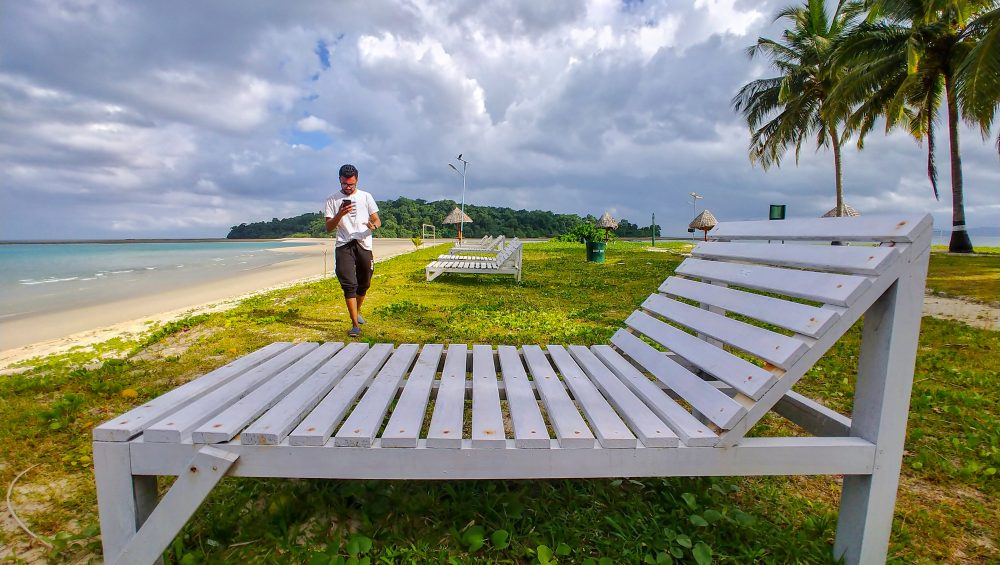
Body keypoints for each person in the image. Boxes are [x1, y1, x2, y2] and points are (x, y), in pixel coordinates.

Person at [325, 164, 381, 337]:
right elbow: (328, 228)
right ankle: (355, 324)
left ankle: (358, 312)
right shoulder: (332, 200)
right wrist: (340, 214)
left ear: (357, 180)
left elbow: (377, 220)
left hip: (364, 242)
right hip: (344, 244)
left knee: (364, 283)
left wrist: (374, 226)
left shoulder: (366, 197)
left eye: (351, 184)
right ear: (340, 180)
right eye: (344, 184)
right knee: (349, 285)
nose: (348, 188)